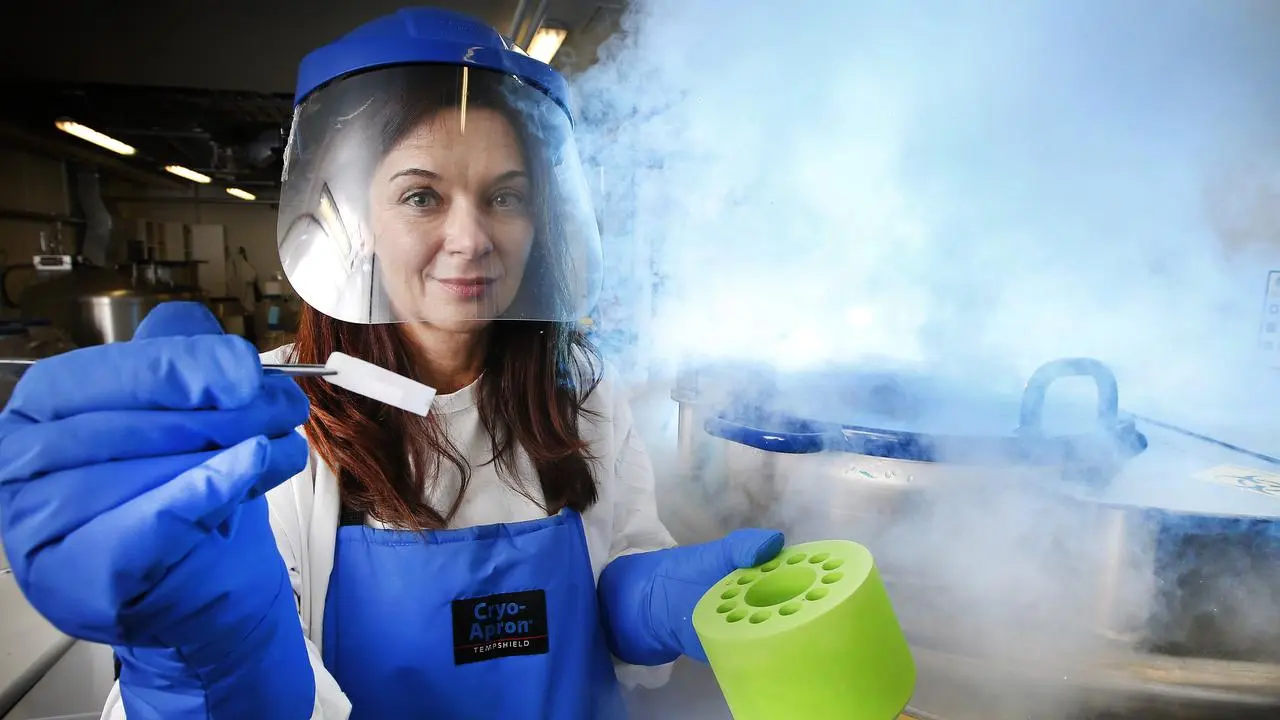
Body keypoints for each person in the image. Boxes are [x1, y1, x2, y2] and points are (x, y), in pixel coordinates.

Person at [0, 8, 784, 720]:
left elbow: (617, 562)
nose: (471, 239)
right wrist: (205, 661)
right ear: (356, 218)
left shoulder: (580, 390)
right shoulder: (273, 416)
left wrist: (651, 601)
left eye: (505, 196)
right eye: (421, 197)